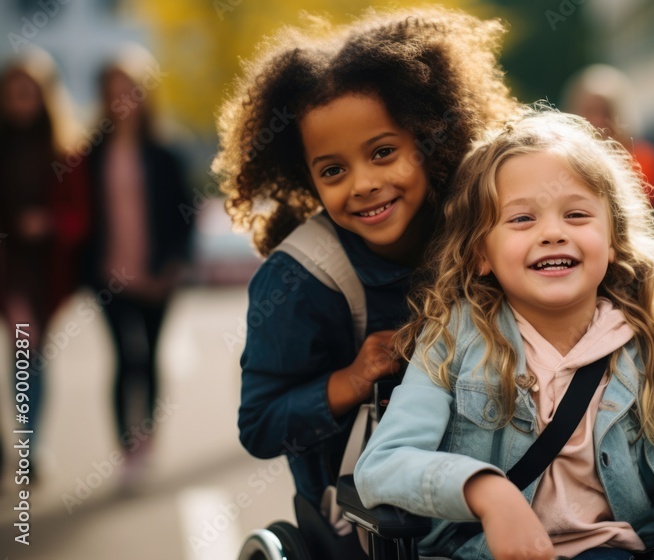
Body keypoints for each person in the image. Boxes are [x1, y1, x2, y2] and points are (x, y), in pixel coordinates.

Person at [355, 110, 654, 559]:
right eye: (521, 219)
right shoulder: (452, 343)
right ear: (481, 254)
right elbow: (383, 465)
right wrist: (485, 491)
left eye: (576, 215)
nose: (553, 232)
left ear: (613, 241)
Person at [211, 6, 520, 519]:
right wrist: (353, 379)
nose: (363, 183)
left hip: (497, 489)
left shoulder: (480, 226)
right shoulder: (298, 278)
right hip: (363, 520)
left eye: (382, 152)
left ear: (427, 140)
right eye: (333, 170)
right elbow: (260, 425)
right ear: (307, 179)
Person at [81, 45, 194, 483]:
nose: (122, 98)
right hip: (109, 278)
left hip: (157, 278)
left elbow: (186, 215)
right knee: (123, 357)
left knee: (148, 357)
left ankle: (147, 438)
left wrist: (169, 270)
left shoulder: (165, 153)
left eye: (130, 89)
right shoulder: (91, 154)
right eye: (114, 90)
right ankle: (125, 447)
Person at [0, 49, 89, 480]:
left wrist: (50, 223)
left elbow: (78, 215)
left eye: (29, 92)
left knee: (27, 356)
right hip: (8, 268)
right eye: (13, 92)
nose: (20, 100)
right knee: (23, 352)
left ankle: (28, 445)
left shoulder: (62, 150)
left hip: (42, 273)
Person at [564, 64, 654, 239]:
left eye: (606, 111)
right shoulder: (564, 165)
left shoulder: (653, 159)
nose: (598, 120)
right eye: (589, 111)